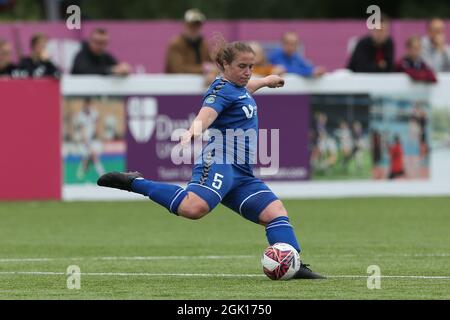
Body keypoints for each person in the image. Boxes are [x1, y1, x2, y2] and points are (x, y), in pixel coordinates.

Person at [98, 41, 325, 279]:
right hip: (220, 161)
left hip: (241, 173)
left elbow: (245, 89)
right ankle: (135, 182)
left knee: (275, 212)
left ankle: (295, 265)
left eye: (251, 66)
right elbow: (206, 115)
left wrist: (266, 81)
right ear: (224, 65)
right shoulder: (220, 90)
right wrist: (192, 131)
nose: (248, 72)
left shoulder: (238, 87)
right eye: (242, 66)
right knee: (193, 208)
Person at [165, 8, 217, 83]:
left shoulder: (204, 44)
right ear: (186, 25)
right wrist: (204, 69)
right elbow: (178, 69)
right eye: (192, 25)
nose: (195, 28)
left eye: (198, 25)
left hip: (199, 85)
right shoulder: (176, 44)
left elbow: (214, 65)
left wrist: (212, 72)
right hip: (176, 85)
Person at [73, 98, 105, 180]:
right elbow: (82, 129)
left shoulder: (94, 112)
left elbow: (97, 123)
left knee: (92, 156)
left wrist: (98, 135)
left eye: (90, 105)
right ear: (85, 105)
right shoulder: (81, 115)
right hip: (84, 138)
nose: (89, 106)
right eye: (87, 105)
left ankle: (100, 174)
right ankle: (82, 174)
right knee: (88, 156)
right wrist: (86, 142)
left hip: (93, 138)